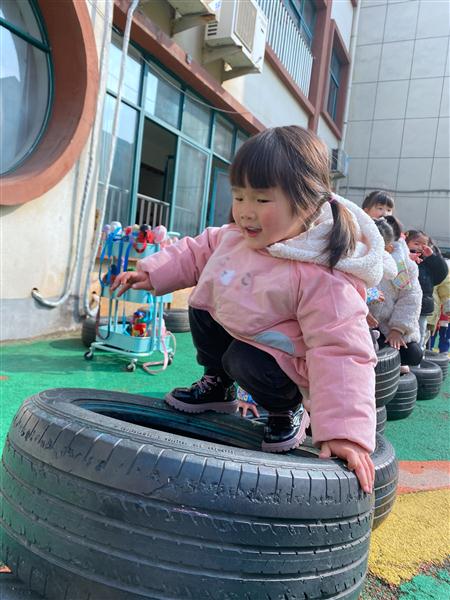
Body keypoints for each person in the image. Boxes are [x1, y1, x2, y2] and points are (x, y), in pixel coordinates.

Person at [111, 126, 385, 493]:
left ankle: (285, 411)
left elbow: (341, 350)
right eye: (239, 196)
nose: (245, 212)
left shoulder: (322, 275)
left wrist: (345, 433)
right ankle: (217, 385)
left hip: (282, 365)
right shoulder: (234, 239)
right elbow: (196, 251)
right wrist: (151, 272)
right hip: (247, 333)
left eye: (261, 199)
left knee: (243, 359)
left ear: (307, 202)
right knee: (204, 302)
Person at [368, 216, 423, 371]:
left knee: (413, 354)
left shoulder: (404, 266)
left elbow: (411, 298)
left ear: (390, 246)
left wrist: (397, 329)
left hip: (388, 325)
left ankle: (392, 363)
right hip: (363, 322)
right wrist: (362, 311)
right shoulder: (360, 260)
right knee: (370, 347)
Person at [405, 230, 449, 349]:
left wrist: (432, 257)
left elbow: (442, 273)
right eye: (416, 243)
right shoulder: (402, 257)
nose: (420, 247)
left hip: (423, 306)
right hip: (402, 304)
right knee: (402, 333)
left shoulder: (428, 262)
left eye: (424, 244)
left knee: (419, 336)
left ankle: (418, 356)